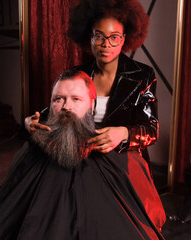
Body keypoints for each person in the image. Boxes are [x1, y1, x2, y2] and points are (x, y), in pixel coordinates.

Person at [0, 69, 165, 240]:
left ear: (92, 106)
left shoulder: (116, 149)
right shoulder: (31, 151)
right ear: (51, 104)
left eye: (76, 99)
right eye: (59, 99)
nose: (66, 106)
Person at [24, 0, 165, 229]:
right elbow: (56, 110)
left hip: (121, 165)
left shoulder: (143, 75)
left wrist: (123, 133)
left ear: (125, 38)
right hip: (77, 158)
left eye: (114, 37)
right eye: (99, 36)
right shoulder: (77, 74)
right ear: (88, 37)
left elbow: (151, 129)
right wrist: (32, 120)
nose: (106, 44)